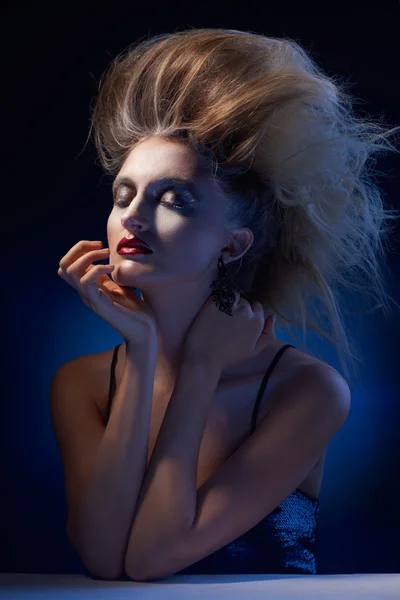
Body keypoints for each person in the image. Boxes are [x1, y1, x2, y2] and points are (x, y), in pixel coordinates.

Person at [52, 28, 400, 581]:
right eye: (124, 195)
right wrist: (142, 353)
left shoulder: (306, 391)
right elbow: (101, 558)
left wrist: (200, 369)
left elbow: (149, 559)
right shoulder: (82, 385)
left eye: (173, 199)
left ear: (232, 244)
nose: (134, 218)